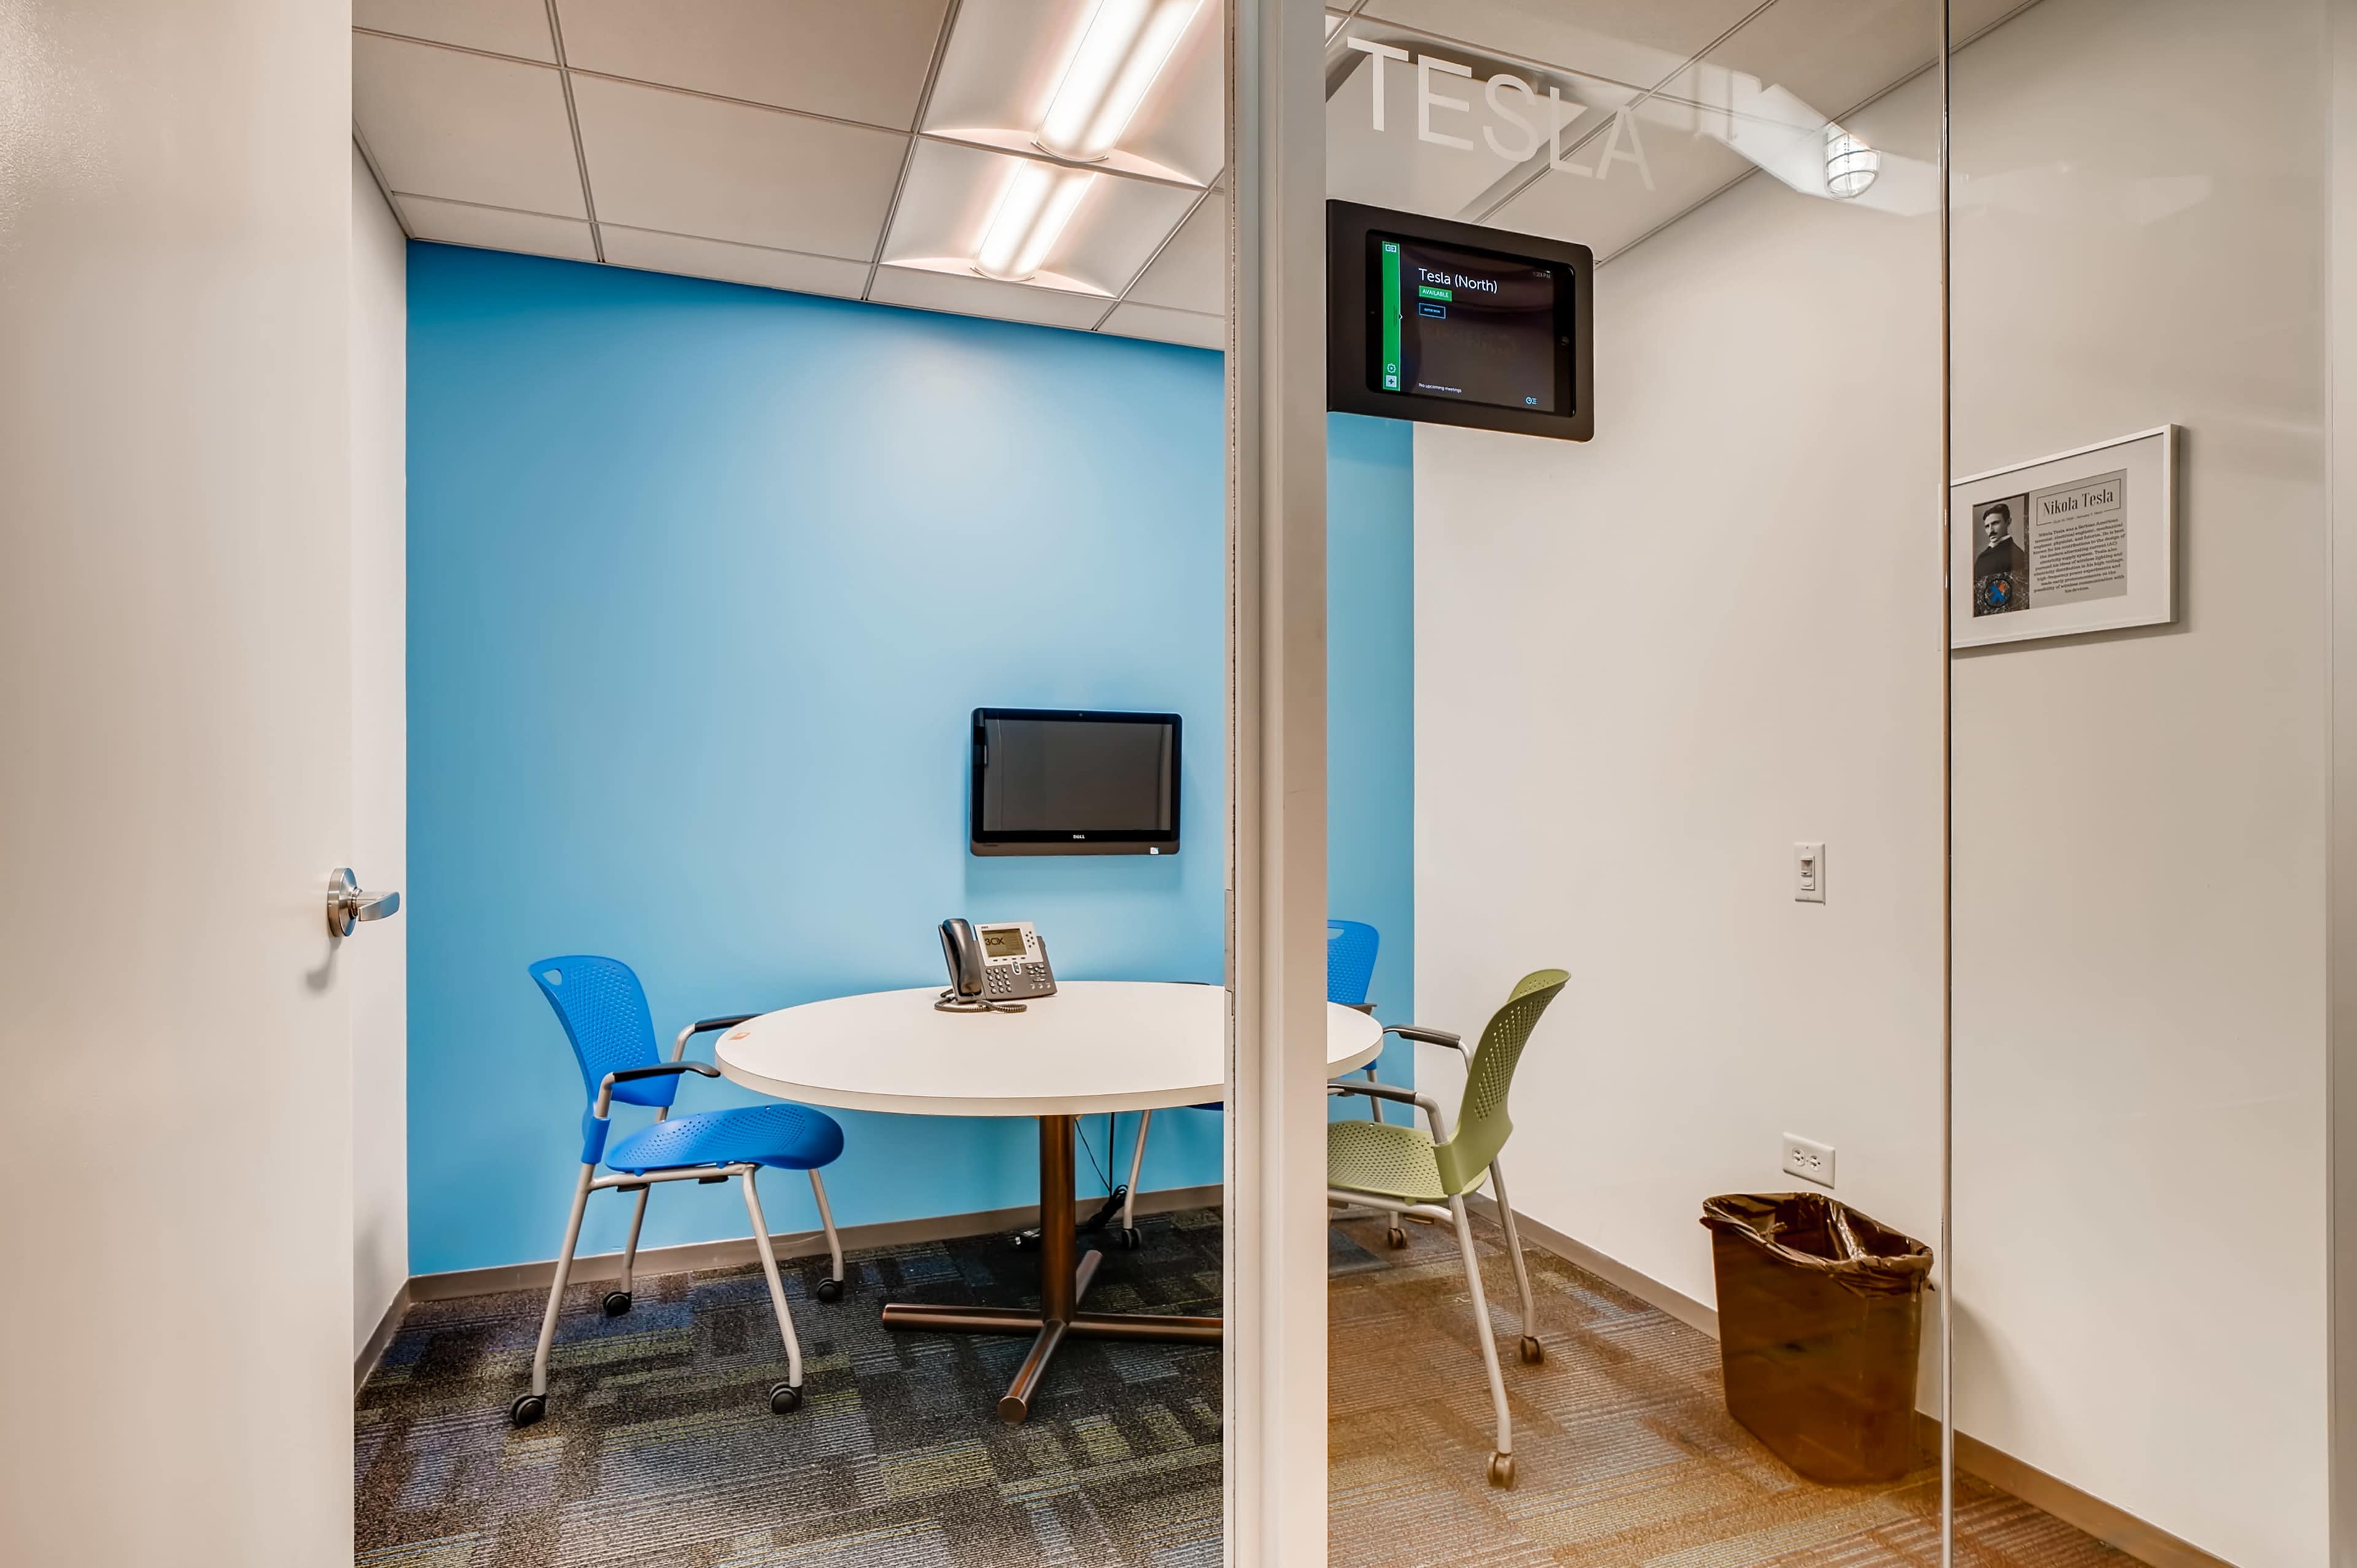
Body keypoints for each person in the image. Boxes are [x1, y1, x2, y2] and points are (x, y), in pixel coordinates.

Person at [1973, 500, 2026, 615]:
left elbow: (2016, 600)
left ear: (2008, 522)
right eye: (1987, 526)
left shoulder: (2016, 555)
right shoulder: (1982, 557)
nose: (1991, 531)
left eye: (1996, 523)